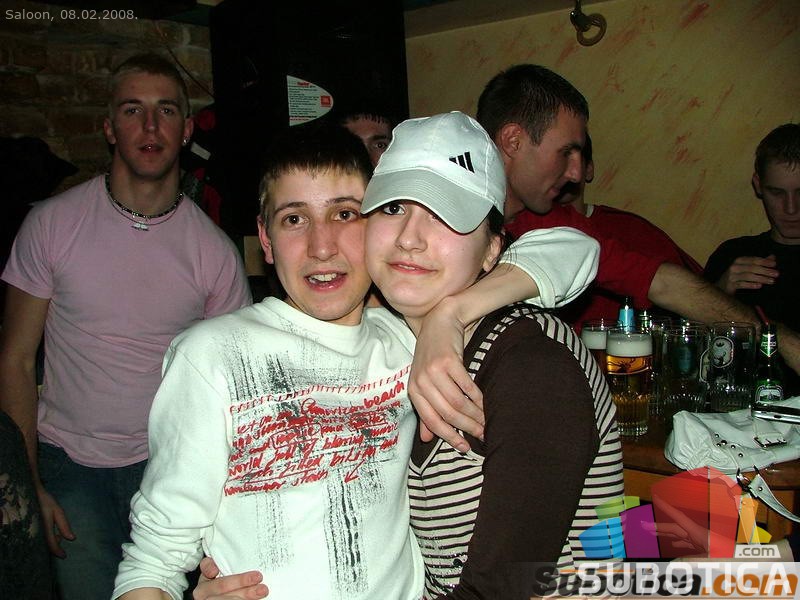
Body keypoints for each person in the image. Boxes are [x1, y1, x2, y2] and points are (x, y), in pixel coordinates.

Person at [113, 124, 600, 600]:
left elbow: (575, 248)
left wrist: (449, 315)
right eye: (294, 219)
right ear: (265, 238)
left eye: (345, 214)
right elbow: (155, 559)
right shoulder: (213, 355)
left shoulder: (411, 341)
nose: (322, 247)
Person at [0, 53, 252, 600]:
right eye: (133, 110)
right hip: (67, 466)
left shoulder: (214, 253)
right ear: (110, 127)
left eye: (166, 111)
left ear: (187, 130)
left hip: (171, 468)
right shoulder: (50, 225)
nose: (151, 126)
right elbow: (15, 359)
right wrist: (29, 481)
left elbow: (235, 389)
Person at [360, 111, 624, 598]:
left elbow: (499, 590)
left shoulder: (532, 364)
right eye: (393, 207)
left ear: (491, 250)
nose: (409, 238)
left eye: (445, 215)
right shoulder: (386, 340)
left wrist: (451, 312)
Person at [474, 63, 800, 376]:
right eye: (566, 152)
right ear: (513, 141)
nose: (575, 173)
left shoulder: (553, 226)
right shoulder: (452, 215)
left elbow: (664, 283)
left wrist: (778, 338)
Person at [557, 133, 703, 328]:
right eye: (555, 160)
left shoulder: (633, 230)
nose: (562, 171)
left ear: (588, 169)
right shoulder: (520, 225)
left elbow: (686, 291)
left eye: (571, 159)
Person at [705, 123, 800, 396]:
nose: (791, 208)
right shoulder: (734, 254)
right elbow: (688, 354)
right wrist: (719, 293)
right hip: (738, 411)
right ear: (758, 185)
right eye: (777, 193)